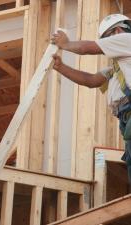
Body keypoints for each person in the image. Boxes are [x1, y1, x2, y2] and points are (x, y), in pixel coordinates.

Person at [51, 14, 131, 183]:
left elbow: (88, 48)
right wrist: (61, 68)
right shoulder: (118, 67)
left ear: (116, 31)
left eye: (105, 40)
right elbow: (91, 81)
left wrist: (65, 44)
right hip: (126, 118)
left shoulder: (126, 39)